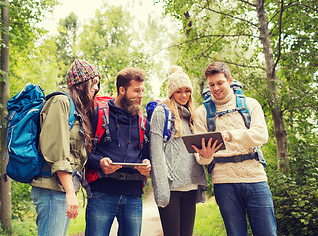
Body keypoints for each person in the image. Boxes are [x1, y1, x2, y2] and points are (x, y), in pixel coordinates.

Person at [192, 62, 277, 236]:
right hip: (224, 182)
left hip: (256, 178)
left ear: (229, 80)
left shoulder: (250, 104)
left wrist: (231, 135)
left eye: (220, 83)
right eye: (211, 84)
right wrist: (206, 156)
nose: (215, 88)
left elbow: (261, 135)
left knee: (267, 232)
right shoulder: (202, 113)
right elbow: (200, 157)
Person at [30, 59, 101, 236]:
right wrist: (70, 192)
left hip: (60, 190)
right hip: (53, 191)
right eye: (94, 83)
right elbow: (56, 152)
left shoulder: (76, 110)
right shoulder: (60, 102)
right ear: (82, 83)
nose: (96, 88)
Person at [84, 67, 151, 236]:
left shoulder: (143, 121)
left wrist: (146, 164)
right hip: (101, 192)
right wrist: (98, 163)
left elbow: (147, 155)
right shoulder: (97, 114)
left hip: (133, 195)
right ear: (122, 90)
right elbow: (82, 151)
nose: (141, 95)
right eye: (136, 90)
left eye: (142, 90)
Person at [150, 66, 208, 236]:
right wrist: (161, 189)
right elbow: (156, 152)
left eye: (187, 91)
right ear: (171, 93)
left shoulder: (192, 116)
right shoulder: (161, 112)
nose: (184, 95)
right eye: (179, 91)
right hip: (171, 188)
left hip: (190, 186)